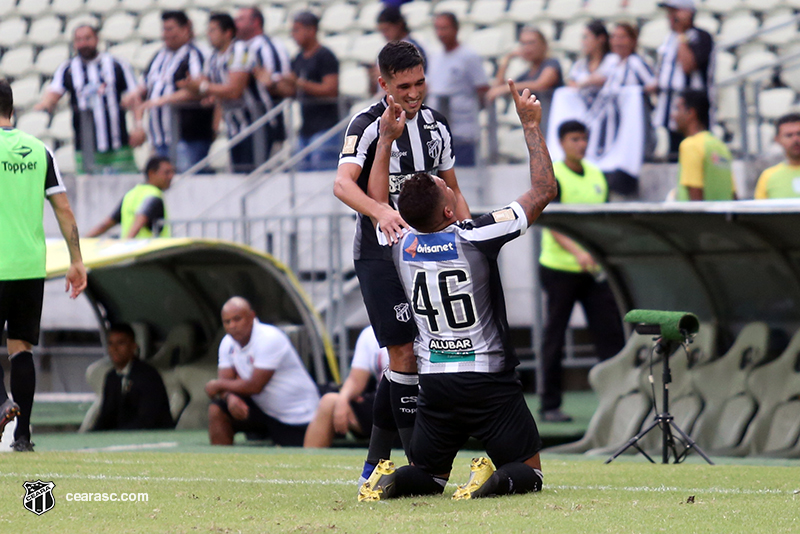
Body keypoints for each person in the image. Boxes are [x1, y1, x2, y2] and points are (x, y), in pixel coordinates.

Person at [358, 79, 555, 502]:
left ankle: (386, 481)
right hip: (487, 379)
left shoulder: (400, 242)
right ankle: (489, 481)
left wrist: (386, 143)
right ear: (449, 209)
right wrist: (530, 126)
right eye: (448, 188)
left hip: (436, 384)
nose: (451, 185)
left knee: (428, 476)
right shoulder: (476, 235)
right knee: (530, 473)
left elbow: (378, 200)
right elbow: (543, 191)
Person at [334, 40, 470, 487]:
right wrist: (380, 211)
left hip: (424, 254)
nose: (414, 93)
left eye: (420, 82)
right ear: (384, 83)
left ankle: (375, 462)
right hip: (379, 254)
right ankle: (420, 468)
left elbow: (453, 188)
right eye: (404, 85)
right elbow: (342, 185)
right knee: (404, 352)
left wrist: (471, 240)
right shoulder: (367, 125)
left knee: (408, 362)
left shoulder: (435, 125)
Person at [0, 79, 87, 452]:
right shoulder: (40, 151)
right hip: (29, 267)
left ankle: (3, 402)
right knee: (21, 348)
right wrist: (77, 261)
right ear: (12, 107)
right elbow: (64, 209)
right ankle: (23, 436)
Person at [538, 120, 625, 423]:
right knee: (555, 337)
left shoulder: (598, 177)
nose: (581, 145)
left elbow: (603, 222)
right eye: (575, 139)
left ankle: (618, 401)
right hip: (559, 268)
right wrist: (578, 252)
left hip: (592, 270)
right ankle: (549, 405)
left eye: (584, 139)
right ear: (562, 143)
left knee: (610, 335)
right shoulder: (555, 176)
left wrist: (597, 255)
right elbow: (551, 222)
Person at [205, 297, 320, 446]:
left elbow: (255, 386)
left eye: (237, 319)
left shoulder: (269, 337)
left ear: (252, 316)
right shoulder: (227, 343)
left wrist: (217, 385)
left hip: (296, 415)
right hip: (264, 409)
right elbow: (226, 382)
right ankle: (218, 464)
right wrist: (230, 398)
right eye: (227, 322)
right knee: (217, 409)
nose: (232, 326)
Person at [35, 25, 144, 174]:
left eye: (87, 38)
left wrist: (138, 127)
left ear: (97, 39)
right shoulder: (67, 68)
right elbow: (53, 92)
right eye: (79, 40)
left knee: (126, 187)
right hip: (85, 146)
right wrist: (46, 103)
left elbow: (135, 97)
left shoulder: (117, 65)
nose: (83, 43)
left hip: (119, 143)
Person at [124, 10, 215, 173]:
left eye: (170, 29)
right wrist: (138, 124)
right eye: (164, 29)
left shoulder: (195, 54)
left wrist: (163, 100)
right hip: (159, 138)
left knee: (186, 182)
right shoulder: (158, 56)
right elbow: (141, 92)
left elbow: (201, 89)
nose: (166, 34)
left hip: (187, 136)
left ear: (185, 29)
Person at [178, 13, 262, 172]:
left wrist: (204, 88)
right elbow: (204, 83)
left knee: (252, 173)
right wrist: (193, 86)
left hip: (254, 123)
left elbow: (234, 90)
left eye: (213, 30)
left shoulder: (239, 50)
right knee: (239, 173)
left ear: (228, 32)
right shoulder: (214, 57)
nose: (209, 35)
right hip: (233, 125)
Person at [303, 326, 389, 448]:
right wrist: (343, 399)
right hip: (384, 405)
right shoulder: (370, 332)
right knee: (330, 402)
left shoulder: (422, 328)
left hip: (415, 404)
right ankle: (309, 463)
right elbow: (356, 379)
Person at [597, 22, 656, 198]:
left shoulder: (636, 62)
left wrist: (634, 93)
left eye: (622, 37)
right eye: (614, 37)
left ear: (632, 40)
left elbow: (652, 84)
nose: (617, 42)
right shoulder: (613, 64)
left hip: (635, 125)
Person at [277, 11, 340, 171]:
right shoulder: (298, 58)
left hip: (325, 126)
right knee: (301, 170)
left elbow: (331, 89)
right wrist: (273, 83)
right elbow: (291, 90)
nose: (293, 35)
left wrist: (298, 82)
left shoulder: (325, 56)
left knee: (322, 168)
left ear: (311, 30)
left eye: (297, 30)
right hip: (306, 127)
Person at [651, 0, 714, 158]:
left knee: (694, 151)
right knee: (674, 152)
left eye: (675, 12)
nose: (671, 17)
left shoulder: (701, 37)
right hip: (670, 107)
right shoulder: (668, 38)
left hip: (692, 108)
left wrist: (681, 36)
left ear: (688, 13)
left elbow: (688, 66)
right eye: (669, 12)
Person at [426, 12, 490, 167]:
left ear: (456, 29)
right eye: (438, 28)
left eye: (445, 28)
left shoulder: (469, 56)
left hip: (462, 131)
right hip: (438, 131)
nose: (440, 33)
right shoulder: (435, 56)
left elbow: (482, 88)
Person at [93, 323, 175, 431]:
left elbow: (148, 419)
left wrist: (118, 434)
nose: (114, 349)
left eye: (120, 343)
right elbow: (106, 415)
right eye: (110, 344)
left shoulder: (148, 376)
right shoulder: (111, 377)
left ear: (133, 346)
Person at [237, 7, 292, 161]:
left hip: (267, 121)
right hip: (242, 123)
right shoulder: (237, 49)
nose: (236, 24)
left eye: (241, 19)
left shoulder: (269, 47)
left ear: (255, 22)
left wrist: (271, 83)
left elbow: (287, 87)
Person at [487, 26, 563, 137]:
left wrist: (504, 88)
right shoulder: (527, 73)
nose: (527, 48)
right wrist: (507, 60)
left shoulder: (551, 64)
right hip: (539, 128)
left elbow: (541, 84)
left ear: (543, 45)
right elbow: (499, 87)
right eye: (523, 44)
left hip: (554, 125)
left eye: (531, 43)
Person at [87, 156, 174, 238]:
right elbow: (140, 220)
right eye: (166, 173)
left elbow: (105, 225)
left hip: (129, 250)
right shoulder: (154, 196)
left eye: (172, 172)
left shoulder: (130, 194)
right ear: (151, 173)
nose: (171, 176)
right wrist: (126, 243)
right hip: (149, 252)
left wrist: (80, 243)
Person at [673, 90, 735, 201]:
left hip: (701, 218)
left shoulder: (690, 145)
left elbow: (695, 197)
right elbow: (733, 194)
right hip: (722, 217)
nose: (673, 115)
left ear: (691, 113)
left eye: (678, 109)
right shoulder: (721, 147)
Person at [567, 20, 619, 106]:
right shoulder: (580, 64)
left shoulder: (613, 60)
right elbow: (571, 84)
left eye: (586, 37)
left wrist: (584, 83)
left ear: (601, 39)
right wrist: (589, 81)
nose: (583, 42)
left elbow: (610, 81)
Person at [754, 113, 800, 200]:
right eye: (789, 135)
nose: (796, 139)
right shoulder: (768, 177)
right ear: (777, 139)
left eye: (799, 133)